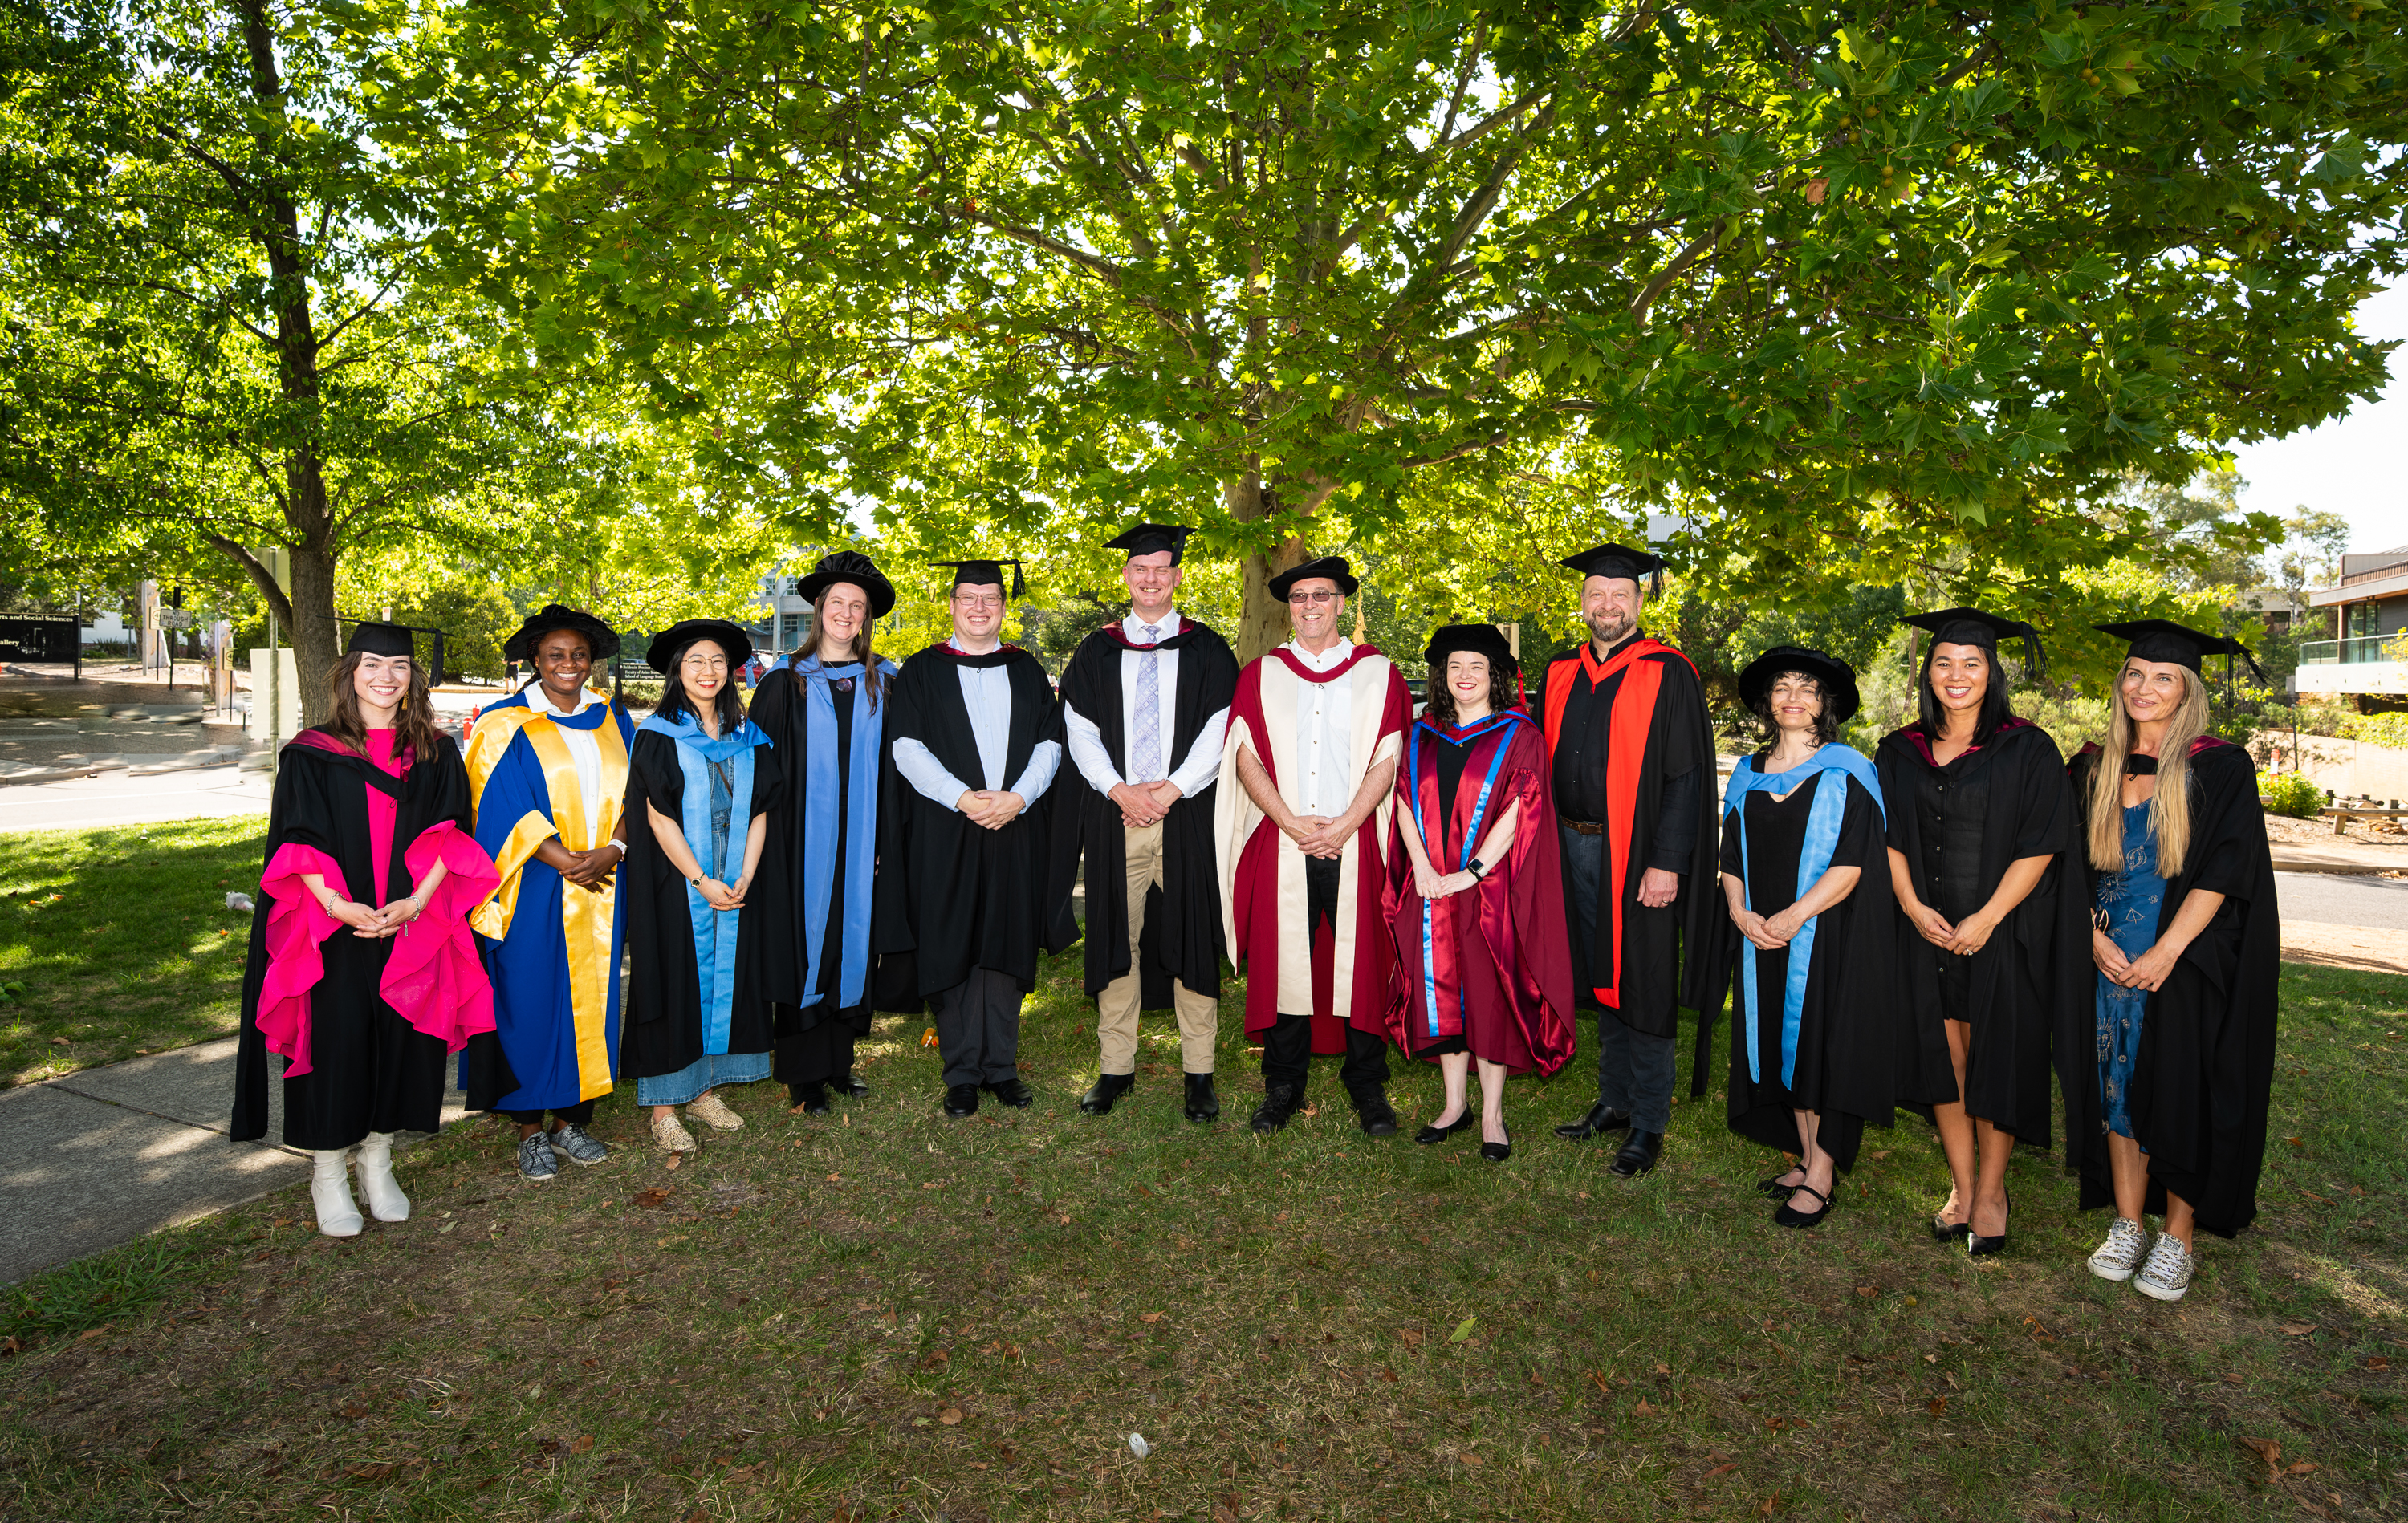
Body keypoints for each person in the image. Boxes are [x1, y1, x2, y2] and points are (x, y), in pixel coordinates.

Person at [232, 623, 498, 1237]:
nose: (387, 676)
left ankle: (378, 1158)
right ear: (350, 672)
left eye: (400, 666)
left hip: (413, 923)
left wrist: (414, 902)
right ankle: (328, 1171)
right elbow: (299, 838)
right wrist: (338, 905)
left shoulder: (435, 750)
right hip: (333, 927)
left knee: (404, 1038)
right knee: (337, 1041)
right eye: (374, 664)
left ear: (413, 677)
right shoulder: (311, 752)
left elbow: (451, 836)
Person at [2059, 620, 2279, 1302]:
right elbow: (2066, 867)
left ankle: (2178, 1234)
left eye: (2164, 678)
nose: (2144, 688)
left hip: (2182, 958)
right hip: (2105, 958)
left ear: (2188, 691)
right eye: (2134, 674)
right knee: (2113, 1087)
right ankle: (2129, 1223)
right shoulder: (2093, 764)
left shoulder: (2219, 766)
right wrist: (2090, 939)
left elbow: (2224, 868)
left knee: (2184, 1090)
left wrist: (2166, 951)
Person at [1875, 608, 2072, 1253]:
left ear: (1993, 672)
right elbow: (1889, 837)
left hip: (2003, 933)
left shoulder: (2028, 747)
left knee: (1996, 1058)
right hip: (1924, 931)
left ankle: (1992, 1192)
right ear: (1926, 672)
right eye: (1943, 663)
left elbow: (2042, 842)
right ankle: (1961, 1187)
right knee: (1946, 1059)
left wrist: (1988, 918)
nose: (1956, 675)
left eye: (1971, 663)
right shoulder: (1898, 750)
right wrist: (1908, 904)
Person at [1533, 544, 1721, 1177]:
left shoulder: (1668, 671)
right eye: (1596, 595)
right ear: (1582, 603)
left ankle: (1648, 1121)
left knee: (1642, 982)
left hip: (1635, 857)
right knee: (1600, 977)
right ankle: (1612, 1100)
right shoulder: (1560, 670)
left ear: (1639, 602)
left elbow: (1687, 777)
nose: (1607, 605)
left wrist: (1667, 861)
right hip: (1568, 847)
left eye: (1620, 595)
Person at [1214, 555, 1412, 1136]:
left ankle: (1367, 1082)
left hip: (1357, 842)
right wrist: (1292, 823)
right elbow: (1245, 757)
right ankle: (1283, 1083)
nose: (1309, 606)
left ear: (1342, 604)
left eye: (1321, 596)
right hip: (1285, 841)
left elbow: (1390, 753)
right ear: (1289, 608)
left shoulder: (1379, 673)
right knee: (1284, 961)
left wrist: (1347, 823)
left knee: (1363, 961)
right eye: (1299, 598)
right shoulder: (1261, 675)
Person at [1051, 524, 1240, 1121]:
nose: (1151, 578)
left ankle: (1199, 1071)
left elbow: (1221, 729)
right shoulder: (1097, 650)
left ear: (1178, 576)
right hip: (1117, 817)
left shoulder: (1208, 648)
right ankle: (1115, 1068)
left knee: (1192, 934)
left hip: (1188, 816)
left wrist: (1173, 788)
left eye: (1162, 568)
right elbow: (1077, 728)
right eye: (1141, 569)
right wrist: (1117, 789)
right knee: (1116, 937)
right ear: (1127, 576)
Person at [1707, 647, 1895, 1229]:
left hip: (1824, 933)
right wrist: (1740, 911)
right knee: (1779, 1045)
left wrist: (1793, 917)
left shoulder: (1849, 770)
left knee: (1816, 1045)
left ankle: (1821, 1172)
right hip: (1759, 933)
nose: (1793, 697)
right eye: (1783, 687)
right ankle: (1807, 1154)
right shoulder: (1747, 771)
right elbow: (1729, 853)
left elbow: (1854, 863)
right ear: (1768, 701)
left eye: (1807, 689)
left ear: (1826, 704)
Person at [877, 558, 1068, 1119]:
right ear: (953, 604)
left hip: (1014, 825)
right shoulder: (921, 671)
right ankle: (961, 1072)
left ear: (1004, 608)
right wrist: (963, 798)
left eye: (991, 599)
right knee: (951, 940)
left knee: (1005, 940)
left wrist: (1018, 798)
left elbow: (1049, 744)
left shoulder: (1028, 670)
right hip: (946, 828)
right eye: (969, 598)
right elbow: (906, 748)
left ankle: (1001, 1068)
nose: (979, 608)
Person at [1384, 623, 1576, 1162]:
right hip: (1430, 886)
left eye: (1476, 667)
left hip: (1488, 888)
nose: (1465, 676)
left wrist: (1471, 871)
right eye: (1454, 667)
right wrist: (1421, 868)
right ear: (1442, 677)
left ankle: (1492, 1113)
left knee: (1488, 994)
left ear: (1496, 676)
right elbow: (1401, 798)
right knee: (1441, 991)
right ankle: (1454, 1104)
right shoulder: (1423, 732)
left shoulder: (1521, 734)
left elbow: (1522, 808)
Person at [461, 605, 636, 1180]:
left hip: (603, 881)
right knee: (530, 997)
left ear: (592, 662)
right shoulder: (503, 721)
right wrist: (564, 859)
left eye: (579, 654)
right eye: (556, 654)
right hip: (532, 882)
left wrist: (612, 851)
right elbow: (497, 802)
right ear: (536, 659)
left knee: (592, 997)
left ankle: (571, 1121)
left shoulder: (613, 718)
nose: (569, 663)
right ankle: (529, 1130)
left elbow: (640, 791)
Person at [620, 620, 783, 1152]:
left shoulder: (749, 737)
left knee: (721, 986)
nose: (708, 671)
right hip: (676, 881)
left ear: (731, 671)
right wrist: (701, 881)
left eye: (717, 661)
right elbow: (658, 817)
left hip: (736, 880)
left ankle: (703, 1090)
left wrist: (744, 879)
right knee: (673, 981)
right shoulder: (657, 735)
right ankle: (664, 1108)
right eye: (696, 661)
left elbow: (761, 810)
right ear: (677, 671)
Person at [747, 553, 900, 1116]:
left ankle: (839, 1063)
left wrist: (887, 843)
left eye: (856, 606)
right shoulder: (784, 684)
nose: (846, 612)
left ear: (865, 618)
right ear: (819, 609)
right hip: (797, 847)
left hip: (863, 842)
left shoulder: (884, 683)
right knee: (803, 945)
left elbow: (896, 771)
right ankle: (801, 1074)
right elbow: (758, 773)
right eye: (837, 602)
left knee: (848, 943)